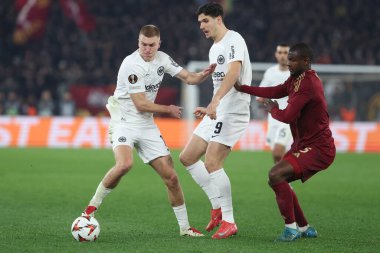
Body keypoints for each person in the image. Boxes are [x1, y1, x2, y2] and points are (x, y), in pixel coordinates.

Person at [81, 24, 217, 237]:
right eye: (143, 44)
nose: (147, 48)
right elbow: (141, 104)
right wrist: (168, 108)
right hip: (124, 121)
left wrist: (204, 74)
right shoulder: (130, 65)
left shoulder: (163, 58)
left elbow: (189, 78)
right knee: (125, 164)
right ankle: (89, 210)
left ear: (158, 44)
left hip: (146, 126)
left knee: (171, 177)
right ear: (138, 43)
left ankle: (184, 228)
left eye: (152, 45)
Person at [235, 43, 336, 242]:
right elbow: (276, 90)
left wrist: (272, 109)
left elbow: (288, 115)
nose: (288, 63)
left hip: (318, 147)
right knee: (278, 179)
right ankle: (305, 228)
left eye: (293, 59)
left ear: (305, 61)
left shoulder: (307, 83)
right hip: (304, 144)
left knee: (276, 174)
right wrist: (243, 88)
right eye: (288, 59)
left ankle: (291, 229)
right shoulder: (296, 79)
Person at [179, 2, 252, 239]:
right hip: (218, 109)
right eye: (199, 22)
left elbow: (233, 73)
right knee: (187, 157)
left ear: (218, 18)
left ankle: (230, 221)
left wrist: (215, 103)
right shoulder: (213, 48)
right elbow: (218, 82)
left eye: (205, 21)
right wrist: (210, 105)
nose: (201, 26)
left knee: (212, 161)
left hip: (234, 110)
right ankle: (217, 207)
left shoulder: (234, 40)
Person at [258, 44, 292, 163]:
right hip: (273, 118)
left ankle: (282, 178)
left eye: (285, 53)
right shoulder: (270, 72)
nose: (283, 56)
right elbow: (260, 95)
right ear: (276, 54)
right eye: (280, 52)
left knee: (278, 151)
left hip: (289, 118)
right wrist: (262, 98)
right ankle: (283, 179)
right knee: (276, 155)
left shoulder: (296, 73)